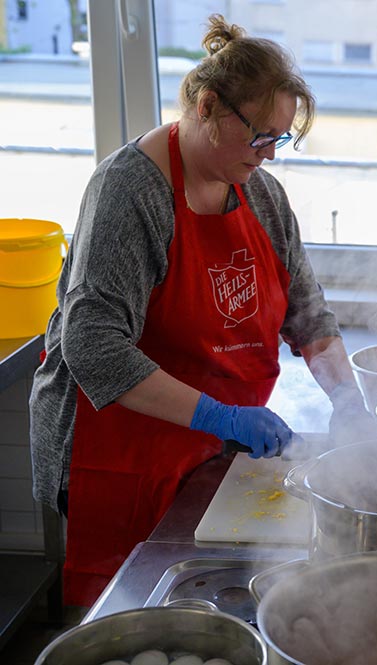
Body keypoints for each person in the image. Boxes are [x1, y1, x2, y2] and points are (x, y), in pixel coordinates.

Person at [28, 15, 360, 606]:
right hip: (120, 447)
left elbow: (308, 317)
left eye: (279, 140)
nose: (270, 156)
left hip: (210, 445)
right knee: (127, 613)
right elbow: (92, 346)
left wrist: (348, 400)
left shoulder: (261, 193)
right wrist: (222, 416)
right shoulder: (131, 191)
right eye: (261, 136)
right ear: (208, 106)